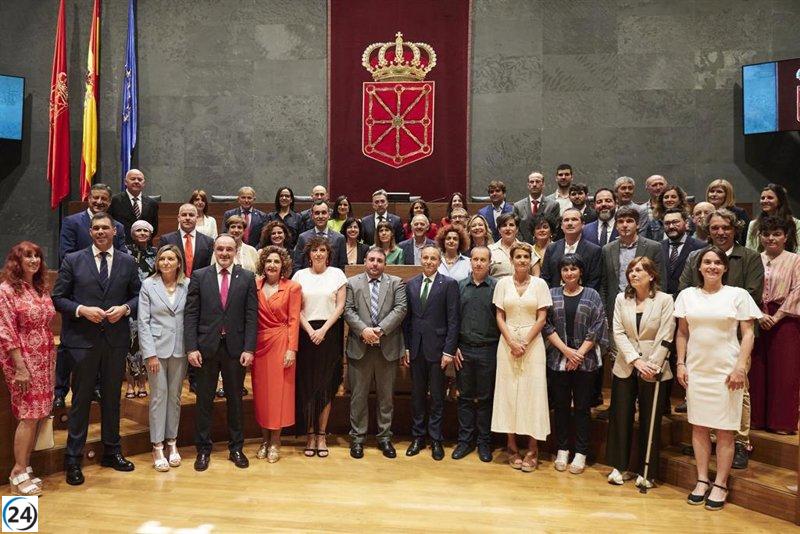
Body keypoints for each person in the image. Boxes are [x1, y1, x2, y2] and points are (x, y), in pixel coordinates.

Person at [52, 212, 141, 485]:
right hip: (82, 343)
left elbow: (139, 295)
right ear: (90, 232)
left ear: (115, 231)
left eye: (106, 228)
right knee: (80, 402)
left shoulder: (127, 261)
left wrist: (126, 309)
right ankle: (73, 459)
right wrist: (81, 310)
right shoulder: (73, 259)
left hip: (114, 342)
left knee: (113, 398)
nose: (101, 232)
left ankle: (112, 452)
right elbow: (58, 298)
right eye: (96, 228)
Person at [675, 246, 762, 510]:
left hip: (727, 371)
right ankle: (702, 479)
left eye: (717, 262)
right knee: (699, 427)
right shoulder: (687, 295)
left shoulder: (738, 295)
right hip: (697, 370)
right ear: (699, 267)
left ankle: (721, 483)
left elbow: (748, 334)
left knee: (725, 431)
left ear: (725, 267)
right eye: (707, 262)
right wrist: (681, 363)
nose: (712, 266)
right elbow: (682, 333)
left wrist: (740, 367)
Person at [679, 208, 764, 467]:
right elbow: (685, 287)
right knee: (704, 405)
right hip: (701, 340)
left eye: (725, 227)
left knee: (740, 392)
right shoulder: (696, 255)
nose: (720, 232)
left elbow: (753, 292)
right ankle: (708, 443)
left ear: (734, 229)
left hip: (735, 338)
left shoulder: (748, 257)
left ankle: (739, 442)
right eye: (715, 227)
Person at [185, 234, 258, 471]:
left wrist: (249, 348)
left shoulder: (247, 277)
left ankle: (236, 448)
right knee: (204, 400)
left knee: (235, 401)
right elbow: (191, 314)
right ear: (214, 251)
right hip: (206, 348)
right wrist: (192, 347)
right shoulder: (199, 276)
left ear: (235, 251)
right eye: (220, 249)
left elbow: (251, 315)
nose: (224, 253)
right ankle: (203, 450)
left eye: (229, 249)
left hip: (235, 349)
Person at [606, 257, 675, 487]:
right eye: (631, 270)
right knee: (621, 416)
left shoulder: (665, 300)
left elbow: (666, 334)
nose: (633, 274)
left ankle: (647, 471)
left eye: (639, 270)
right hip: (626, 364)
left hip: (654, 367)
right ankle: (620, 466)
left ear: (651, 275)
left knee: (650, 419)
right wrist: (635, 360)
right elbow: (617, 332)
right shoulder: (621, 299)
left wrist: (651, 364)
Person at [543, 254, 607, 475]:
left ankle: (580, 452)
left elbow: (597, 326)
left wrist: (578, 354)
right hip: (558, 360)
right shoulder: (551, 294)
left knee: (582, 408)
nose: (569, 273)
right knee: (560, 407)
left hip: (585, 361)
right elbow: (546, 325)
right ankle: (562, 449)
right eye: (565, 269)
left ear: (581, 271)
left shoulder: (592, 295)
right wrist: (566, 352)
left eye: (573, 269)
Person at [0, 242, 55, 496]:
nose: (34, 260)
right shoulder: (7, 290)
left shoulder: (39, 288)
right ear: (17, 261)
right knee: (28, 415)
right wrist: (20, 367)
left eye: (37, 256)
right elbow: (6, 331)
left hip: (44, 358)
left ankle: (25, 466)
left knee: (38, 414)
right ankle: (18, 471)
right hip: (22, 360)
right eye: (28, 256)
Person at [492, 242, 552, 472]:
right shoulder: (502, 284)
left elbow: (542, 318)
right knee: (508, 393)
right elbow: (499, 316)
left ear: (531, 260)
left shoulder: (540, 284)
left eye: (526, 256)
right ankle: (511, 445)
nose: (522, 260)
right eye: (518, 256)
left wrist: (524, 342)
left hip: (532, 344)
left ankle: (533, 448)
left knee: (533, 394)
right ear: (512, 260)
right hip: (507, 343)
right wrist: (511, 341)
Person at [343, 247, 407, 459]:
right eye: (371, 259)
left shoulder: (396, 283)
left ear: (385, 264)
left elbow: (400, 309)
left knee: (386, 398)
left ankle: (384, 438)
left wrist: (379, 331)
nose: (375, 264)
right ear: (364, 261)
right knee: (358, 397)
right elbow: (348, 310)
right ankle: (358, 439)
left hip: (386, 348)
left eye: (379, 260)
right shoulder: (352, 283)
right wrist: (364, 331)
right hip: (360, 348)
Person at [292, 237, 347, 458]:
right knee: (307, 386)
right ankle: (310, 434)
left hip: (329, 333)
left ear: (328, 253)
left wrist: (323, 330)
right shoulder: (299, 275)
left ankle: (322, 435)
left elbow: (340, 305)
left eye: (322, 250)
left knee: (325, 386)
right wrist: (309, 330)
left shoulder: (337, 274)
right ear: (309, 254)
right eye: (315, 250)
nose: (318, 254)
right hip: (305, 334)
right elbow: (295, 308)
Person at [403, 245, 459, 460]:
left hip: (438, 351)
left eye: (433, 258)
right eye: (425, 257)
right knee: (417, 396)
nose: (428, 261)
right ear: (420, 259)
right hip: (416, 349)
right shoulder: (412, 284)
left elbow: (453, 321)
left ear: (439, 260)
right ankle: (418, 437)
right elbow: (407, 321)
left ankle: (436, 438)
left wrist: (449, 350)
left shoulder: (449, 284)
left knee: (436, 396)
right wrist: (407, 347)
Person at [137, 244, 189, 472]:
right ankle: (157, 445)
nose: (166, 263)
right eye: (162, 259)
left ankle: (172, 442)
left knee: (175, 397)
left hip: (180, 349)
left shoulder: (187, 284)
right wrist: (149, 354)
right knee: (159, 397)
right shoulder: (149, 285)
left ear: (179, 262)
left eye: (171, 259)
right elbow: (143, 322)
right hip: (156, 350)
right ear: (157, 263)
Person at [750, 217, 800, 434]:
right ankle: (757, 419)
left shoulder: (795, 259)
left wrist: (777, 316)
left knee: (785, 372)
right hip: (756, 317)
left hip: (786, 319)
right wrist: (759, 314)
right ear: (759, 236)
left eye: (777, 233)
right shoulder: (754, 258)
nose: (771, 238)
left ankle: (782, 422)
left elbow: (798, 289)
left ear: (786, 236)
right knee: (757, 370)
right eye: (766, 234)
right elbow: (746, 289)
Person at [252, 246, 302, 463]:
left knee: (279, 395)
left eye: (276, 262)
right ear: (263, 264)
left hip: (282, 343)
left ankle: (276, 441)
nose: (272, 265)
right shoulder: (254, 286)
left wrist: (292, 349)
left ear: (283, 266)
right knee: (262, 394)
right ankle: (264, 439)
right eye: (268, 261)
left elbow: (293, 320)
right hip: (259, 344)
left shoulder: (292, 287)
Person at [452, 246, 499, 462]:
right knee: (465, 398)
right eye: (475, 259)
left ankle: (484, 443)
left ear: (490, 263)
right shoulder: (459, 286)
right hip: (464, 350)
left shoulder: (497, 288)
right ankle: (464, 441)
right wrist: (454, 347)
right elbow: (452, 321)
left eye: (483, 260)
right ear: (470, 262)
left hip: (489, 350)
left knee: (486, 399)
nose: (479, 263)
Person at [58, 183, 129, 264]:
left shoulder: (118, 227)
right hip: (80, 274)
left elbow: (123, 256)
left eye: (104, 199)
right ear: (89, 199)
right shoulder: (71, 222)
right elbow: (66, 255)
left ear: (109, 202)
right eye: (95, 198)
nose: (99, 202)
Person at [125, 220, 157, 399]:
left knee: (145, 344)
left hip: (150, 305)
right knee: (131, 345)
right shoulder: (125, 252)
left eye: (146, 230)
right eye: (139, 230)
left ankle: (143, 381)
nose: (143, 233)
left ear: (150, 234)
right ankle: (130, 383)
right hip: (130, 303)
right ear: (132, 233)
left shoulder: (156, 253)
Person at [541, 207, 602, 291]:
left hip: (583, 300)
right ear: (561, 226)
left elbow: (594, 281)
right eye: (566, 220)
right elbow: (545, 278)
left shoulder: (594, 250)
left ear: (583, 224)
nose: (570, 223)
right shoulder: (552, 248)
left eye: (574, 219)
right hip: (554, 299)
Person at [159, 203, 214, 278]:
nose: (187, 218)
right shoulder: (166, 240)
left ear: (197, 218)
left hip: (199, 286)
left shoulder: (208, 242)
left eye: (191, 215)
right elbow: (161, 265)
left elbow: (208, 268)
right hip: (174, 285)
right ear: (178, 218)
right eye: (184, 215)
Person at [661, 208, 705, 298]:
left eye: (675, 222)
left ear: (686, 223)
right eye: (667, 223)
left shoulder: (701, 247)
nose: (671, 226)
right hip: (662, 301)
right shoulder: (657, 247)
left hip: (690, 301)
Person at [293, 200, 347, 271]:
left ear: (329, 215)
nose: (320, 216)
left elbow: (343, 267)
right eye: (317, 213)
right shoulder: (303, 238)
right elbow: (297, 265)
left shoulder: (339, 238)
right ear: (312, 216)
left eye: (324, 213)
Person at [109, 168, 159, 244]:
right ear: (125, 182)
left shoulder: (152, 203)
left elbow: (154, 228)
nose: (136, 181)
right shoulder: (114, 201)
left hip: (145, 247)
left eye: (139, 179)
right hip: (121, 246)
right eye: (133, 179)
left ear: (144, 183)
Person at [745, 183, 799, 253]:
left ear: (780, 201)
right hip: (759, 262)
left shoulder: (795, 223)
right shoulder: (753, 224)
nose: (765, 201)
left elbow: (798, 250)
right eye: (762, 198)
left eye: (770, 198)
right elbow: (749, 251)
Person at [513, 171, 559, 244]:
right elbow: (516, 228)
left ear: (543, 184)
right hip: (523, 248)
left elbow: (555, 228)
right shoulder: (518, 206)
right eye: (531, 182)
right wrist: (523, 244)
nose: (534, 184)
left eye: (537, 181)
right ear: (528, 185)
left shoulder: (553, 205)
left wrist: (545, 242)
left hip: (546, 246)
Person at [706, 179, 749, 246]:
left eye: (719, 192)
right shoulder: (704, 211)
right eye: (712, 191)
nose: (714, 194)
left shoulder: (739, 212)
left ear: (727, 195)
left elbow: (744, 238)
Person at [488, 213, 522, 278]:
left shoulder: (527, 248)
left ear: (517, 229)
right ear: (499, 230)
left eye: (511, 225)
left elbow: (536, 275)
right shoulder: (489, 250)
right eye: (504, 225)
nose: (508, 228)